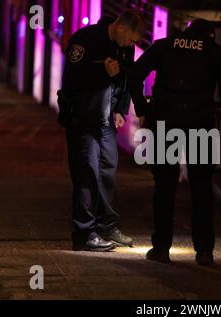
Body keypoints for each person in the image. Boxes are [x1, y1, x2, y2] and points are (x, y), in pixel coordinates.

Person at [128, 19, 221, 265]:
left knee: (164, 186)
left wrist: (142, 108)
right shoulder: (214, 50)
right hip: (200, 122)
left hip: (164, 121)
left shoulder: (164, 45)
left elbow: (134, 74)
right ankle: (205, 251)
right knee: (202, 187)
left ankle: (161, 248)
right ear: (208, 35)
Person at [58, 10, 144, 252]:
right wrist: (101, 72)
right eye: (131, 39)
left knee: (107, 171)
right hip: (82, 118)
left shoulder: (123, 48)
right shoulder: (85, 39)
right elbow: (72, 80)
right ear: (120, 28)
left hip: (106, 120)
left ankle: (106, 225)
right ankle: (84, 232)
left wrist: (120, 109)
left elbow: (125, 78)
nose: (132, 45)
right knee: (87, 173)